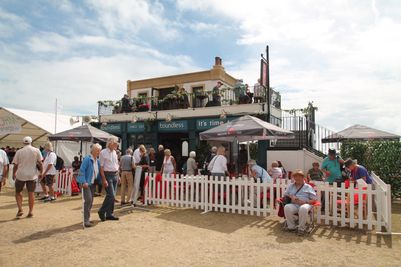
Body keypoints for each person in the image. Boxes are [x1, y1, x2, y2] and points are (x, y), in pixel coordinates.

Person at [12, 136, 43, 218]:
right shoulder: (36, 150)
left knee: (18, 192)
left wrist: (13, 173)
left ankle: (20, 209)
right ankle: (31, 211)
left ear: (23, 142)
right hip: (32, 175)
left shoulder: (19, 151)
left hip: (21, 174)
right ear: (31, 142)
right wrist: (41, 172)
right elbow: (40, 163)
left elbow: (15, 165)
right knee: (31, 193)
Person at [283, 169, 317, 235]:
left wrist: (305, 201)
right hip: (294, 204)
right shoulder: (291, 186)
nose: (297, 178)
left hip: (305, 204)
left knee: (303, 208)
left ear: (303, 177)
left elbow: (314, 199)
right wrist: (292, 196)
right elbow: (286, 194)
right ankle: (291, 227)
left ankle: (301, 229)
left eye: (299, 176)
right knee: (287, 207)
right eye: (295, 176)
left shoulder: (308, 187)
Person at [77, 143, 102, 227]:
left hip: (92, 183)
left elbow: (98, 172)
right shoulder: (87, 159)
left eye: (99, 151)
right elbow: (82, 170)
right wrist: (83, 181)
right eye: (98, 151)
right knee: (88, 200)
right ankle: (86, 220)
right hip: (86, 183)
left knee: (90, 202)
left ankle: (87, 218)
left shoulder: (97, 160)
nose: (99, 152)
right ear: (93, 151)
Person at [98, 136, 120, 221]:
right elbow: (101, 167)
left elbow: (116, 164)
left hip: (115, 174)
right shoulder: (103, 152)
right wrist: (103, 179)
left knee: (112, 196)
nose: (117, 144)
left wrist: (119, 176)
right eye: (115, 143)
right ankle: (102, 211)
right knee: (111, 195)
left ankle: (109, 214)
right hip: (107, 175)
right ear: (110, 143)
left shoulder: (115, 152)